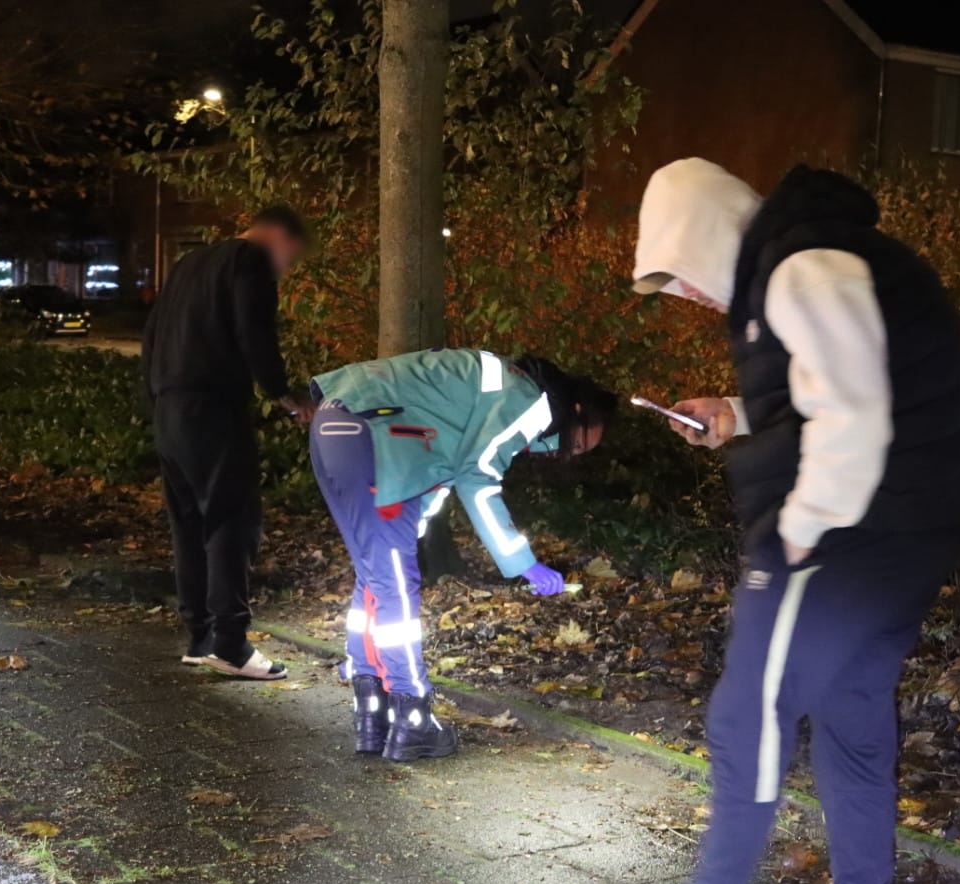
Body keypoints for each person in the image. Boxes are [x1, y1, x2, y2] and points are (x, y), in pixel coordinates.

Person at [563, 159, 960, 884]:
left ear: (705, 232)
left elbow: (855, 415)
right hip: (907, 528)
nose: (691, 296)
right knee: (851, 732)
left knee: (747, 717)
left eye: (681, 273)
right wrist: (736, 412)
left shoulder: (801, 265)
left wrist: (803, 530)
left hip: (848, 532)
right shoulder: (818, 256)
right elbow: (851, 378)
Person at [308, 349, 614, 761]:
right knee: (394, 583)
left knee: (375, 575)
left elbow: (440, 472)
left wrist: (408, 535)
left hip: (335, 424)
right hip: (375, 437)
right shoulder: (530, 401)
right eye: (576, 443)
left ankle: (372, 710)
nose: (567, 452)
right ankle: (412, 717)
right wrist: (524, 563)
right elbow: (477, 479)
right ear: (576, 411)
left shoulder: (490, 391)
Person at [142, 206, 316, 680]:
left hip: (169, 411)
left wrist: (158, 399)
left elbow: (152, 336)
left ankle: (200, 637)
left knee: (188, 525)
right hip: (214, 409)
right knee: (231, 520)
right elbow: (254, 332)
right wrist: (284, 396)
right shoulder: (249, 260)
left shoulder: (188, 264)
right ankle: (231, 645)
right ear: (278, 236)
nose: (285, 268)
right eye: (290, 257)